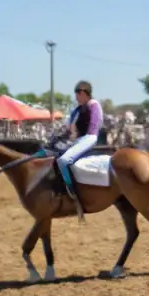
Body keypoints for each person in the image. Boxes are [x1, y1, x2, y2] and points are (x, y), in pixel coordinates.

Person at [56, 81, 104, 216]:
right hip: (77, 140)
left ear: (83, 92)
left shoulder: (94, 105)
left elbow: (94, 126)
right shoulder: (76, 110)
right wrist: (58, 137)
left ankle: (72, 192)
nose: (76, 97)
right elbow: (68, 128)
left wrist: (75, 141)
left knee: (63, 161)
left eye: (77, 94)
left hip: (89, 138)